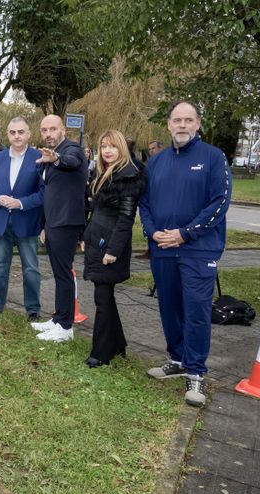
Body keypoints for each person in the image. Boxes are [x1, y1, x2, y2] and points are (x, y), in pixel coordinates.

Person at [140, 100, 231, 407]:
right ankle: (177, 359)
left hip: (197, 248)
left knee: (196, 310)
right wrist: (152, 232)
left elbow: (219, 202)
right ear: (168, 125)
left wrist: (185, 233)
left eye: (188, 120)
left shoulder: (213, 157)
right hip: (163, 247)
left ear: (197, 124)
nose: (181, 125)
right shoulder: (157, 161)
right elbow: (146, 203)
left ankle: (195, 371)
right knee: (169, 307)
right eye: (176, 120)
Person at [81, 130, 145, 368]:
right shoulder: (105, 172)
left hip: (109, 245)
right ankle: (117, 344)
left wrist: (113, 250)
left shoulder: (128, 176)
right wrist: (86, 236)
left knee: (102, 298)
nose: (107, 151)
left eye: (112, 146)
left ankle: (101, 351)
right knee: (104, 296)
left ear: (122, 149)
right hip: (96, 240)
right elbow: (96, 212)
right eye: (103, 146)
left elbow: (126, 218)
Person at [31, 115, 89, 342]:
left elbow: (71, 161)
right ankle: (58, 318)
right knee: (58, 274)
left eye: (52, 129)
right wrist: (44, 225)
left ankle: (65, 327)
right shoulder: (48, 156)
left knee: (64, 274)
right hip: (54, 222)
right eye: (44, 130)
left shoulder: (72, 149)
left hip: (67, 222)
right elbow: (50, 193)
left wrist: (55, 159)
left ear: (62, 130)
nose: (48, 134)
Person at [0, 117, 44, 319]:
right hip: (0, 222)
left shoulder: (39, 158)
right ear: (8, 134)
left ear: (29, 133)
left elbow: (44, 194)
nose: (17, 136)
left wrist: (20, 203)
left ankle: (33, 310)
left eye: (21, 132)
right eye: (13, 132)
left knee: (31, 269)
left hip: (27, 222)